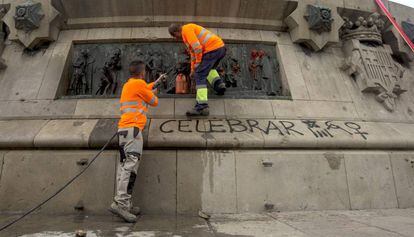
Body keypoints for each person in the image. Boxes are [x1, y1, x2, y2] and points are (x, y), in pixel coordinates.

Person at [109, 60, 162, 223]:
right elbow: (154, 101)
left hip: (124, 130)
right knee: (130, 167)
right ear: (142, 72)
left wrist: (157, 81)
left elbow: (144, 89)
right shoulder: (139, 84)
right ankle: (121, 204)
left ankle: (124, 202)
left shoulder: (129, 85)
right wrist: (155, 90)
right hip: (133, 130)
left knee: (125, 165)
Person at [168, 23, 227, 116]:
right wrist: (192, 69)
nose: (175, 38)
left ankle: (201, 106)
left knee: (200, 74)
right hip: (220, 48)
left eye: (174, 36)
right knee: (208, 69)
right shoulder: (186, 34)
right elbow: (192, 54)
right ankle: (219, 85)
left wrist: (198, 64)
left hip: (212, 49)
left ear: (176, 32)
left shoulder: (186, 30)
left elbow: (197, 48)